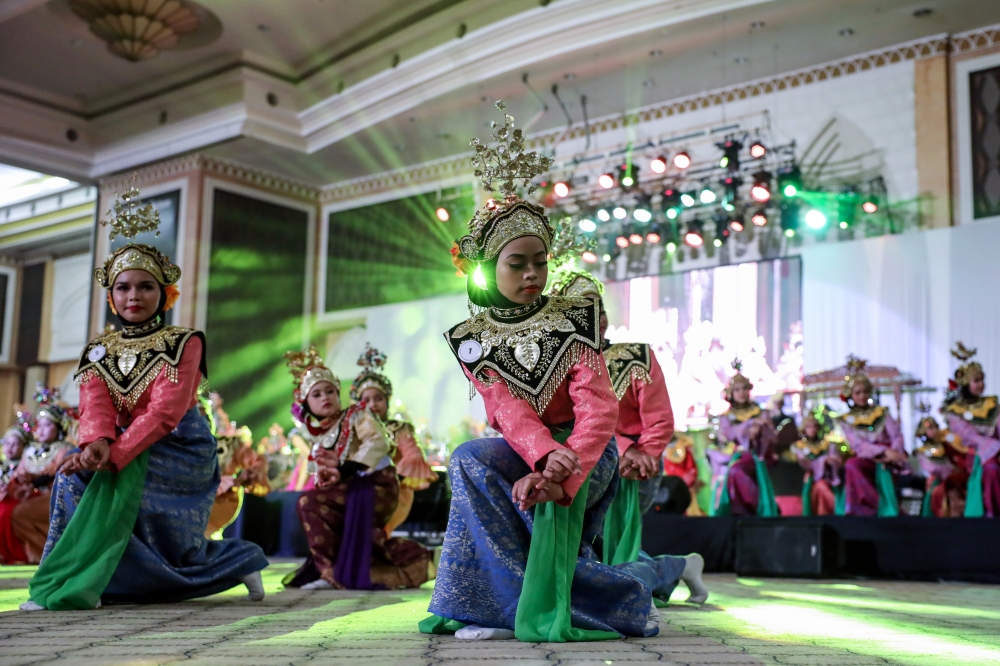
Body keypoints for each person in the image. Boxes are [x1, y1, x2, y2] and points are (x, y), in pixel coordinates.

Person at [424, 103, 701, 643]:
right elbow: (506, 409)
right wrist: (541, 457)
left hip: (591, 453)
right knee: (468, 459)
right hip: (537, 449)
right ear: (486, 266)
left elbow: (597, 408)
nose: (532, 273)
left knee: (545, 505)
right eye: (516, 263)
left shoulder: (572, 320)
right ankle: (494, 603)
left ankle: (554, 601)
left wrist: (560, 467)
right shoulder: (474, 339)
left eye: (540, 261)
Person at [21, 188, 268, 611]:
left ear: (163, 294)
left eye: (145, 287)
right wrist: (94, 443)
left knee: (97, 483)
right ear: (111, 297)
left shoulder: (182, 342)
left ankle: (231, 560)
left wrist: (113, 455)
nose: (133, 296)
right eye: (123, 288)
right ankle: (79, 579)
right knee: (69, 478)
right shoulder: (98, 349)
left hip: (180, 448)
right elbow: (95, 404)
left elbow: (166, 412)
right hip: (120, 444)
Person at [547, 270, 702, 594]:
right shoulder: (555, 363)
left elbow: (659, 416)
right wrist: (620, 448)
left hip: (633, 469)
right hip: (577, 461)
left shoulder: (636, 356)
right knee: (589, 549)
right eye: (582, 309)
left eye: (598, 308)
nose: (595, 317)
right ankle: (677, 567)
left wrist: (642, 453)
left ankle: (649, 581)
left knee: (596, 548)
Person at [282, 346, 430, 590]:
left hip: (376, 484)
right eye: (316, 394)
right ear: (306, 403)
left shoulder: (356, 415)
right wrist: (330, 474)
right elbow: (322, 469)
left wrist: (344, 469)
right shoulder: (320, 432)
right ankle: (415, 559)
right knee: (327, 514)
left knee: (309, 503)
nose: (325, 397)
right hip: (351, 485)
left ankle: (330, 573)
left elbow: (378, 442)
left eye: (330, 391)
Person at [349, 344, 438, 535]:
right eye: (366, 400)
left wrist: (388, 475)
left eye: (378, 398)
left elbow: (413, 456)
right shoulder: (352, 431)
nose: (372, 404)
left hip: (393, 492)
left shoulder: (400, 429)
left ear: (387, 400)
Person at [836, 356, 906, 517]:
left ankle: (886, 508)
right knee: (852, 465)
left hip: (890, 456)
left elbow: (897, 434)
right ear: (850, 395)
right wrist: (883, 452)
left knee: (885, 468)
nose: (862, 396)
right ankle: (869, 506)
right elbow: (858, 445)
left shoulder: (881, 412)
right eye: (857, 392)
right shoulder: (847, 420)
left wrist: (893, 452)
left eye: (865, 392)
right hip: (868, 457)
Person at [10, 387, 74, 563]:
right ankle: (37, 555)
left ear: (58, 427)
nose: (42, 430)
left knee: (20, 513)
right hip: (29, 495)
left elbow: (62, 474)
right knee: (11, 512)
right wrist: (22, 482)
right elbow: (18, 474)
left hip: (55, 495)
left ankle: (54, 557)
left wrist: (34, 482)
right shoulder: (31, 450)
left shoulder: (64, 449)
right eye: (39, 425)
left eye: (48, 425)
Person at [941, 343, 999, 517]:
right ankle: (993, 513)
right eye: (976, 381)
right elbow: (970, 436)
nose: (981, 384)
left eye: (982, 380)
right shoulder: (955, 411)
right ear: (966, 384)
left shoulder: (991, 404)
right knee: (992, 468)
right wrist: (996, 447)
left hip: (995, 449)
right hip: (975, 455)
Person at [714, 361, 778, 516]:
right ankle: (743, 511)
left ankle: (755, 508)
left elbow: (772, 437)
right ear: (731, 393)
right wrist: (751, 424)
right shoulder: (727, 417)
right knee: (731, 472)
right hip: (738, 455)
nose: (741, 392)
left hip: (760, 455)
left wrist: (760, 427)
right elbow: (728, 435)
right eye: (737, 390)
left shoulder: (760, 412)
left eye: (744, 388)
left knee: (736, 470)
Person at [914, 406, 967, 518]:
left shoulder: (945, 445)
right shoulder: (921, 451)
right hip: (936, 479)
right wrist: (948, 472)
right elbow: (931, 468)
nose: (934, 431)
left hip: (951, 477)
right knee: (938, 492)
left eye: (935, 427)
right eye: (930, 428)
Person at [790, 412, 841, 516]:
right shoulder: (798, 446)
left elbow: (837, 460)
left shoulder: (827, 444)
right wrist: (822, 461)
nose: (812, 429)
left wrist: (829, 461)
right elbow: (802, 463)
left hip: (827, 477)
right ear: (804, 428)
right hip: (806, 479)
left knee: (821, 486)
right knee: (819, 487)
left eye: (814, 426)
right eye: (809, 427)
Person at [0, 416, 31, 564]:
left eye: (16, 444)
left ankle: (10, 552)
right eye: (7, 443)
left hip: (16, 500)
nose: (10, 447)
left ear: (24, 447)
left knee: (5, 512)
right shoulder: (1, 464)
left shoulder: (26, 466)